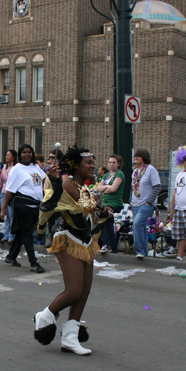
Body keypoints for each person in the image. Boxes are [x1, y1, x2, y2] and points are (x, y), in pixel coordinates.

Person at [33, 145, 113, 355]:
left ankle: (70, 338)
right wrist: (95, 203)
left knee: (84, 291)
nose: (93, 167)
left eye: (94, 163)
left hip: (85, 241)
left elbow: (90, 211)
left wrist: (103, 210)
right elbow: (80, 205)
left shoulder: (83, 187)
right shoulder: (68, 186)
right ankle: (46, 315)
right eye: (89, 163)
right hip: (67, 238)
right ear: (76, 165)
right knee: (74, 290)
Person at [1, 144, 46, 273]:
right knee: (27, 234)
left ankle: (11, 256)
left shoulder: (35, 167)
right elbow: (9, 190)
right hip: (23, 205)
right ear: (20, 155)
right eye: (24, 152)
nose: (27, 154)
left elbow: (43, 179)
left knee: (22, 232)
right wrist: (3, 209)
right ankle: (33, 262)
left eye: (29, 152)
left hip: (35, 205)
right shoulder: (16, 169)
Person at [129, 149, 161, 260]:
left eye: (138, 156)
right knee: (141, 227)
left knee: (137, 224)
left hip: (146, 204)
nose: (135, 157)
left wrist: (149, 202)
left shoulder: (151, 170)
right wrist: (130, 200)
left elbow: (157, 187)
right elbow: (133, 187)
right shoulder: (135, 171)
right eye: (135, 156)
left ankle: (139, 250)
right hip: (136, 203)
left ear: (144, 157)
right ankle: (144, 254)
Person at [94, 154, 125, 254]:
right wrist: (107, 187)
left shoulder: (119, 174)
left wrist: (105, 189)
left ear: (118, 164)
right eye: (110, 162)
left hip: (114, 203)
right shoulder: (107, 175)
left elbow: (114, 189)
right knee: (108, 225)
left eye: (114, 162)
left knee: (102, 221)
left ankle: (106, 244)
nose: (111, 164)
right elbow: (98, 188)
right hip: (105, 203)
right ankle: (113, 248)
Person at [0, 149, 17, 244]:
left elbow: (9, 179)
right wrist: (0, 182)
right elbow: (1, 179)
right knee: (5, 215)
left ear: (13, 157)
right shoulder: (5, 167)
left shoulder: (14, 168)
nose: (6, 157)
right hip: (3, 191)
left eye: (9, 155)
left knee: (11, 215)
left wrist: (0, 174)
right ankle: (5, 235)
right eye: (6, 155)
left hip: (10, 192)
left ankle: (11, 236)